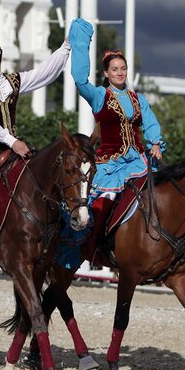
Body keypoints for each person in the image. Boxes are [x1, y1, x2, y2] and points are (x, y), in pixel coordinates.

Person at [0, 36, 71, 264]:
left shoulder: (13, 81)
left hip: (13, 143)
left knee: (42, 176)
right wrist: (13, 142)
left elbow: (44, 73)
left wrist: (66, 48)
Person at [69, 18, 164, 260]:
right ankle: (94, 248)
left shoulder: (137, 98)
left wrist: (155, 142)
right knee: (106, 200)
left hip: (139, 161)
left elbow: (150, 121)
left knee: (159, 195)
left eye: (123, 69)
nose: (120, 73)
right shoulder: (100, 96)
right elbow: (80, 81)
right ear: (106, 73)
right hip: (110, 165)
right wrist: (80, 41)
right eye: (114, 69)